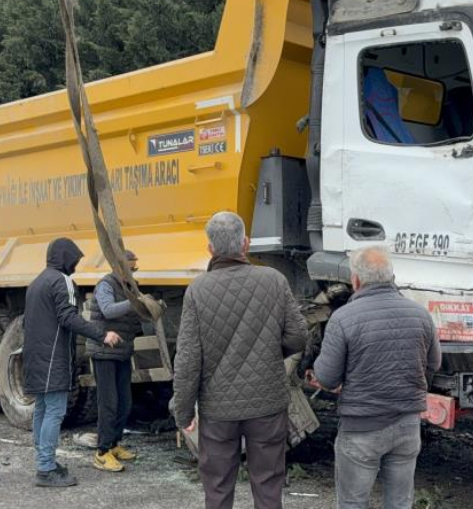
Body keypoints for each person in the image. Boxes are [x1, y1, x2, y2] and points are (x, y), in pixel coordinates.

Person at [172, 211, 308, 509]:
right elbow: (298, 336)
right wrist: (271, 354)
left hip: (218, 409)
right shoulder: (274, 280)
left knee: (218, 488)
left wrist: (183, 411)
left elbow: (188, 360)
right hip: (268, 403)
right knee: (268, 484)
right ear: (245, 243)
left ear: (210, 248)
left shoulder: (198, 290)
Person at [310, 246, 442, 509]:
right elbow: (434, 364)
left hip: (361, 428)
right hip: (407, 424)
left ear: (356, 280)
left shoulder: (343, 319)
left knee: (353, 503)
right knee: (400, 503)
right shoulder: (421, 315)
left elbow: (327, 378)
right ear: (392, 276)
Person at [23, 237, 124, 486]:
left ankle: (43, 460)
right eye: (75, 260)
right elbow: (69, 318)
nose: (76, 266)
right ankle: (46, 468)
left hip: (34, 355)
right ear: (67, 258)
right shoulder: (62, 281)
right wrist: (102, 334)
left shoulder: (36, 282)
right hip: (52, 357)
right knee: (55, 411)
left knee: (43, 409)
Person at [87, 249, 161, 472]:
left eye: (135, 268)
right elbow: (109, 310)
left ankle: (114, 444)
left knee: (125, 402)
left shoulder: (130, 287)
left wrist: (152, 309)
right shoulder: (105, 285)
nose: (134, 272)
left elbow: (138, 316)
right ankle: (101, 452)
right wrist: (135, 302)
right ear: (119, 268)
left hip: (121, 351)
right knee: (108, 403)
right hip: (103, 352)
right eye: (131, 268)